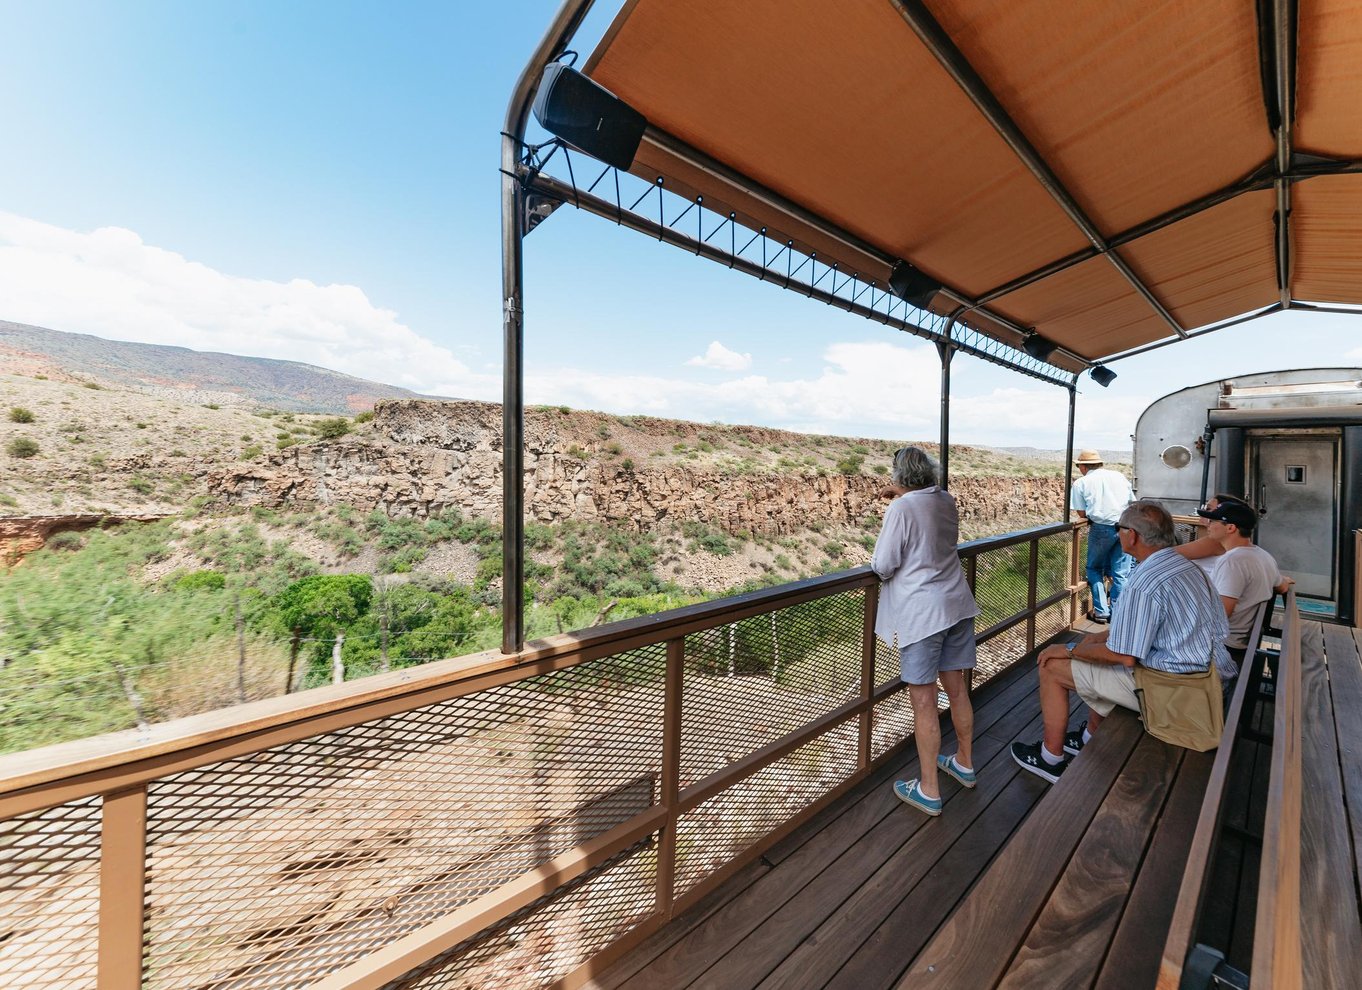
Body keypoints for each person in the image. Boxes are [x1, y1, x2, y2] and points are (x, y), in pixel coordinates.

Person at [1011, 500, 1232, 783]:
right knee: (1095, 657)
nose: (1117, 534)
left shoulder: (1144, 582)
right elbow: (1127, 637)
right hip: (1211, 679)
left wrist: (1068, 649)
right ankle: (1090, 736)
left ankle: (1050, 758)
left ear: (1133, 536)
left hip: (1179, 693)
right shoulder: (1186, 567)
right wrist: (1085, 647)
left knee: (1051, 667)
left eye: (1119, 529)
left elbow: (1124, 656)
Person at [871, 446, 980, 816]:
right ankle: (964, 762)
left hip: (923, 613)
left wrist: (896, 501)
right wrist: (900, 494)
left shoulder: (901, 508)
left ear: (899, 475)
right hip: (956, 603)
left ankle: (929, 789)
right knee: (957, 689)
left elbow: (884, 565)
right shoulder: (944, 499)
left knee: (924, 702)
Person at [1197, 500, 1283, 669]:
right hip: (1246, 641)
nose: (1208, 524)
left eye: (1213, 521)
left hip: (1225, 648)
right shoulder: (1264, 556)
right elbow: (1283, 586)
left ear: (1230, 528)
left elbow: (1220, 615)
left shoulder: (1232, 561)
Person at [1069, 449, 1134, 624]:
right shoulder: (1119, 477)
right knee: (1121, 572)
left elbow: (1082, 512)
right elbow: (1131, 503)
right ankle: (1119, 612)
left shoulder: (1081, 483)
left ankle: (1101, 611)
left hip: (1101, 528)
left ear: (1082, 466)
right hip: (1126, 526)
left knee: (1094, 568)